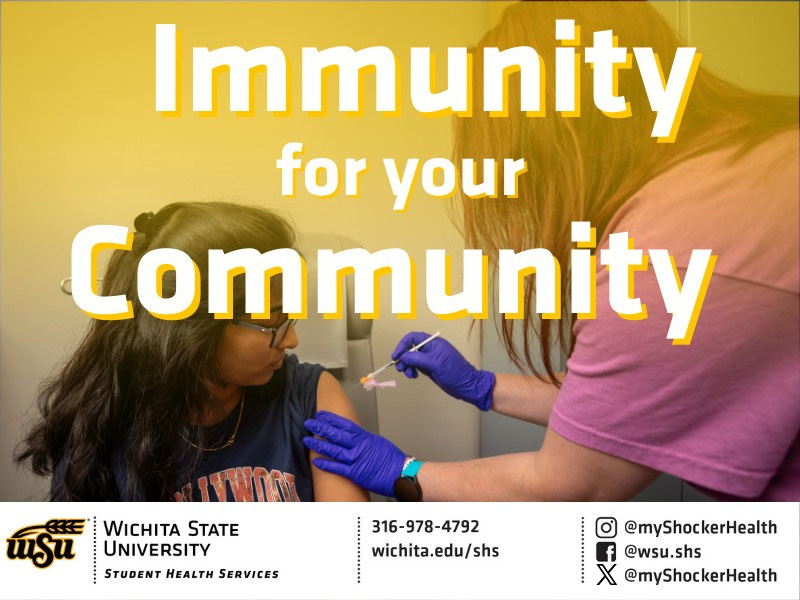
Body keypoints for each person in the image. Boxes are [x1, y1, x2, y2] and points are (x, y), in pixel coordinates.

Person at [303, 1, 799, 500]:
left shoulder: (671, 247)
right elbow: (614, 406)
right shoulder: (755, 163)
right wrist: (481, 385)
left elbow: (569, 488)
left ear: (554, 140)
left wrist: (404, 472)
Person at [16, 202, 367, 502]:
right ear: (194, 329)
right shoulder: (102, 425)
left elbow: (349, 550)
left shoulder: (312, 396)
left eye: (291, 317)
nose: (291, 340)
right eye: (272, 322)